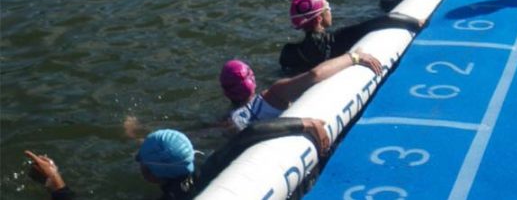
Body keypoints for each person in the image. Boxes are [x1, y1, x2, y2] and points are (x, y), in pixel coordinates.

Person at [25, 122, 330, 199]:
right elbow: (249, 133)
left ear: (152, 175)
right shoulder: (208, 170)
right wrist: (307, 123)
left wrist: (56, 182)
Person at [220, 49, 382, 132]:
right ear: (253, 80)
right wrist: (354, 57)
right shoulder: (273, 95)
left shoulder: (229, 121)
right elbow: (315, 74)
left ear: (226, 92)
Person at [279, 0, 420, 74]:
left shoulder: (288, 53)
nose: (330, 11)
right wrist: (418, 22)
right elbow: (385, 19)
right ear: (319, 18)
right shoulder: (338, 39)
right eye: (327, 7)